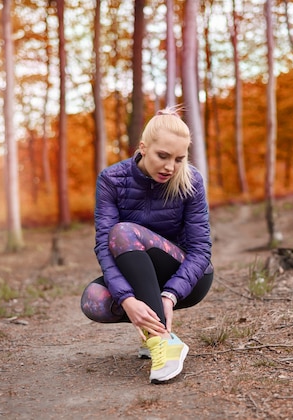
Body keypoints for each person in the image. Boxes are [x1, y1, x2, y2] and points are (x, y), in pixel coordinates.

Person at [80, 107, 214, 384]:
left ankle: (163, 339)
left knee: (124, 231)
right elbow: (105, 248)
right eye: (162, 156)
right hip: (138, 272)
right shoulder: (111, 179)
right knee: (94, 301)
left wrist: (169, 295)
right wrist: (127, 299)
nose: (170, 167)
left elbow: (201, 250)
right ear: (142, 147)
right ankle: (157, 338)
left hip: (189, 277)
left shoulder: (191, 181)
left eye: (179, 159)